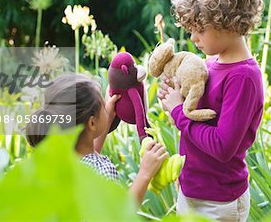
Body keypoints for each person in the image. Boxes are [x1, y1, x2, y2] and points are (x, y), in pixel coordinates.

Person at [158, 0, 264, 222]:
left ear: (227, 22)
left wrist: (177, 111)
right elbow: (196, 118)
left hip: (219, 201)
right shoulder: (209, 66)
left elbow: (222, 146)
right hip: (194, 191)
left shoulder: (243, 77)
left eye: (199, 29)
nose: (193, 37)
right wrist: (177, 96)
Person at [26, 74, 168, 205]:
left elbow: (89, 154)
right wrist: (144, 173)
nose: (106, 108)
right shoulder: (102, 171)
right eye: (102, 105)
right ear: (92, 123)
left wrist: (107, 118)